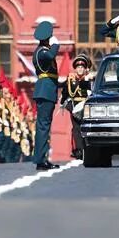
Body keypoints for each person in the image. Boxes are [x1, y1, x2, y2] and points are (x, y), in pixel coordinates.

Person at [31, 20, 59, 171]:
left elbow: (51, 75)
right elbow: (50, 56)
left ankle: (43, 159)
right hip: (45, 91)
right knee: (43, 126)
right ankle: (41, 160)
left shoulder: (41, 51)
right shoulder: (42, 52)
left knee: (44, 127)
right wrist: (55, 45)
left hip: (46, 89)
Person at [61, 54, 92, 160]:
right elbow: (66, 93)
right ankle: (78, 150)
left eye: (82, 67)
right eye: (78, 67)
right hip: (75, 107)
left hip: (87, 107)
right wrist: (65, 104)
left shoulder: (88, 79)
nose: (80, 69)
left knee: (87, 128)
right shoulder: (71, 79)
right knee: (76, 129)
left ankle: (88, 148)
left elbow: (90, 91)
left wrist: (86, 80)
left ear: (85, 69)